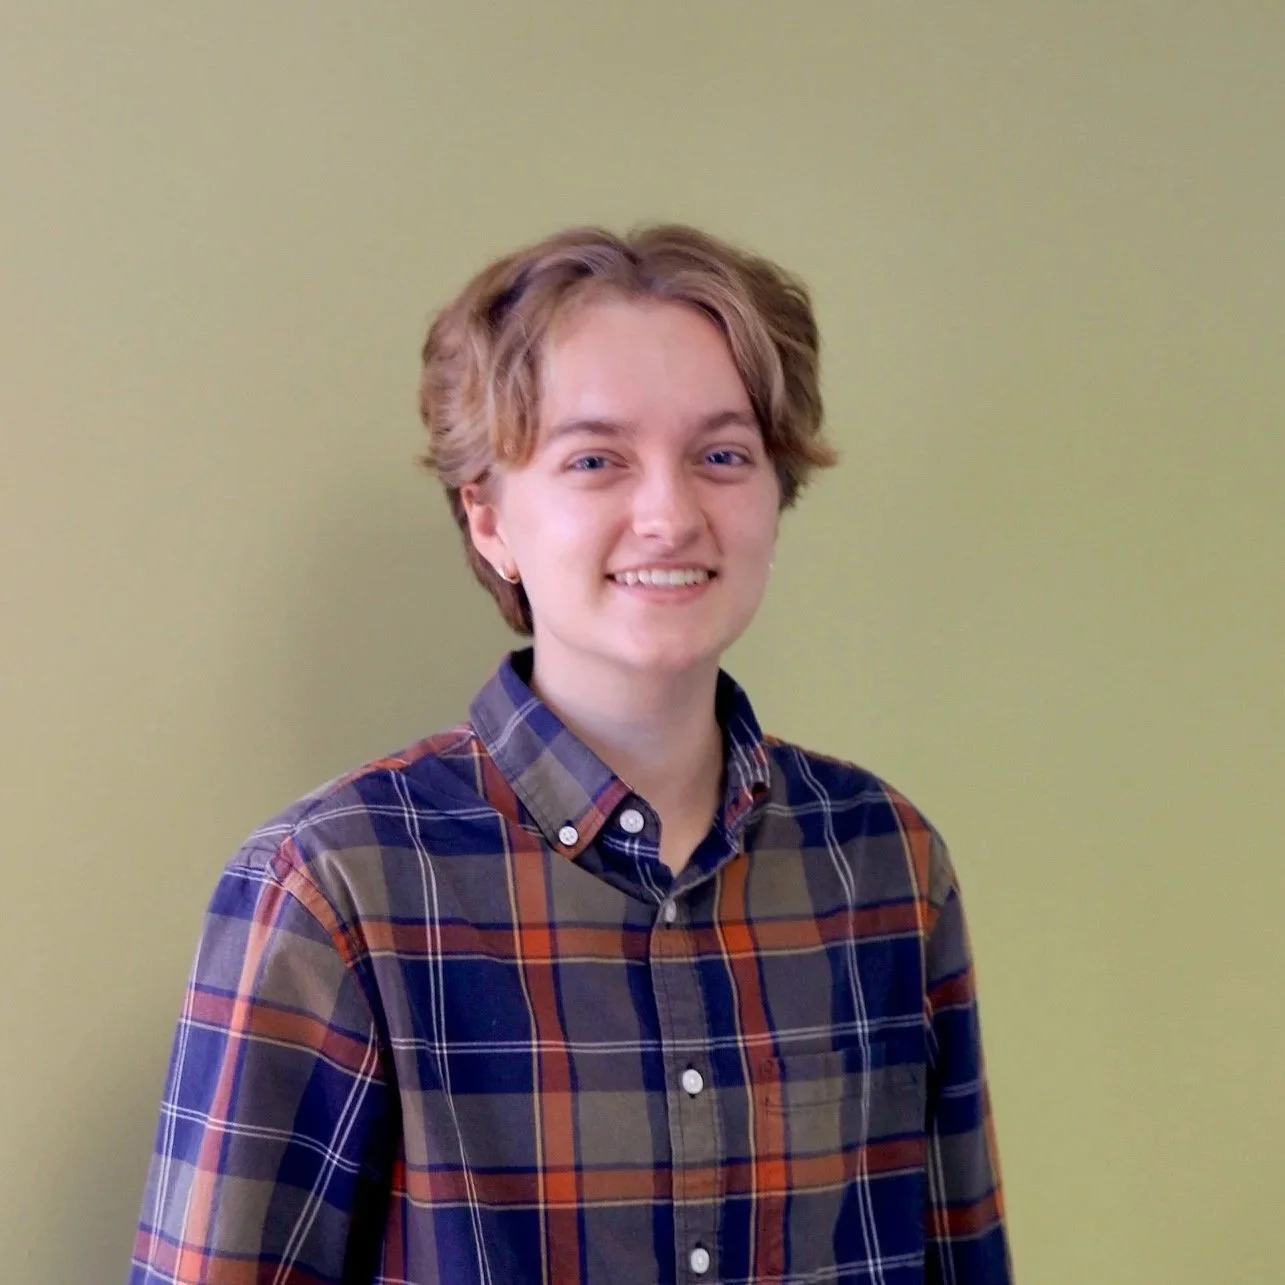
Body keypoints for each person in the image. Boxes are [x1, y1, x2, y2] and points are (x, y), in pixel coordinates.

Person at [129, 224, 1012, 1284]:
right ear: (490, 519)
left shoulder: (883, 862)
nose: (668, 514)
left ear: (776, 495)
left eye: (721, 456)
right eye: (596, 459)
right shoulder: (332, 890)